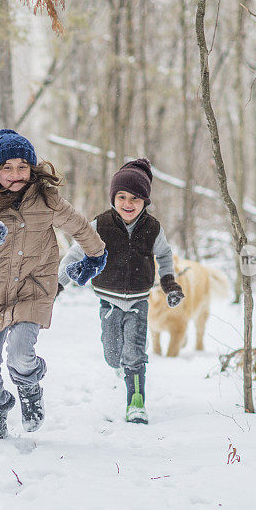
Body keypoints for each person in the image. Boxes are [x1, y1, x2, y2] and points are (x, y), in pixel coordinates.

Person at [0, 129, 107, 439]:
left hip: (35, 289)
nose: (16, 174)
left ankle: (29, 385)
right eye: (7, 167)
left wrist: (96, 255)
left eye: (22, 166)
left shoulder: (47, 200)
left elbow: (80, 226)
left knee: (21, 353)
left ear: (32, 168)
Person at [58, 158, 184, 424]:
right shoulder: (100, 225)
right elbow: (74, 254)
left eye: (135, 199)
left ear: (145, 202)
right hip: (108, 301)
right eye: (122, 196)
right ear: (113, 197)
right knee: (112, 354)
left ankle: (136, 402)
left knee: (134, 354)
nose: (128, 204)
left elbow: (164, 255)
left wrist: (169, 281)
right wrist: (57, 284)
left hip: (139, 300)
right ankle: (121, 368)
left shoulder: (153, 229)